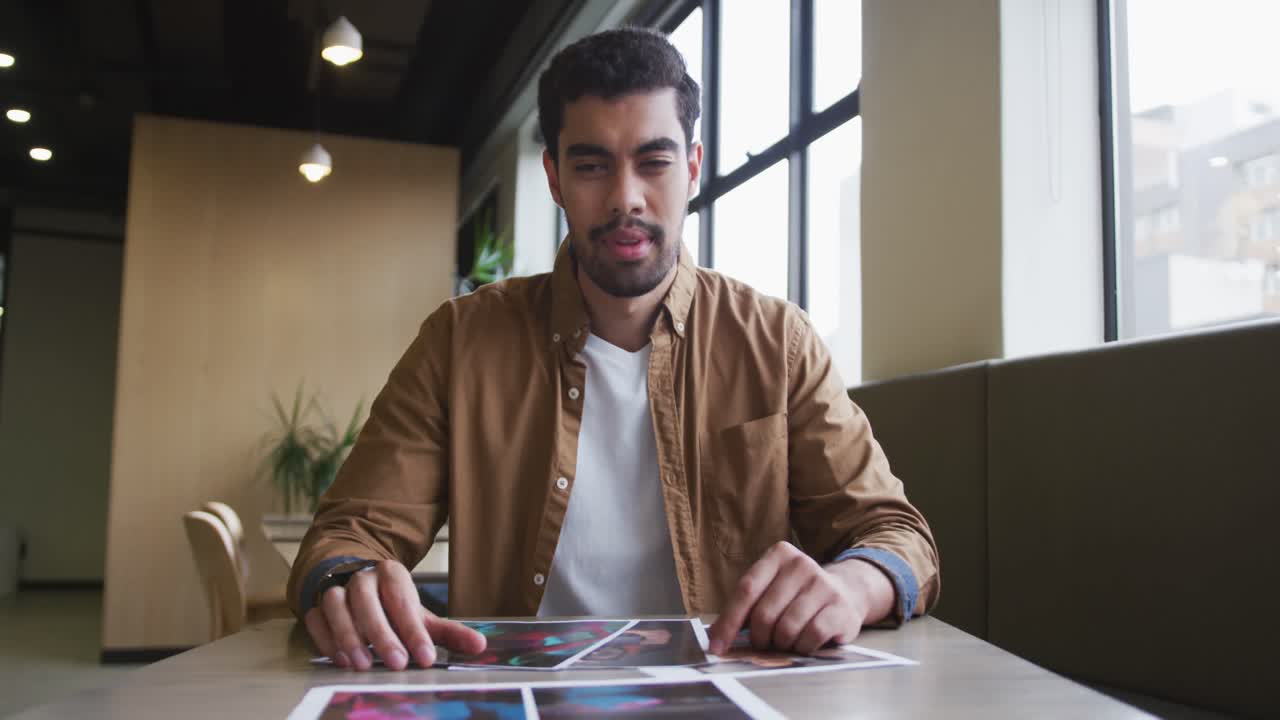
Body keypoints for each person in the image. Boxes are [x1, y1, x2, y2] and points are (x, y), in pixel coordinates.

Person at [287, 26, 939, 673]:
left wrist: (855, 583)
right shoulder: (458, 343)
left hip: (725, 694)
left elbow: (896, 535)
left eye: (654, 162)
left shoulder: (778, 343)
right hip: (517, 693)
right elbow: (345, 537)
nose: (626, 198)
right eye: (593, 165)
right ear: (554, 175)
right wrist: (350, 582)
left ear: (691, 167)